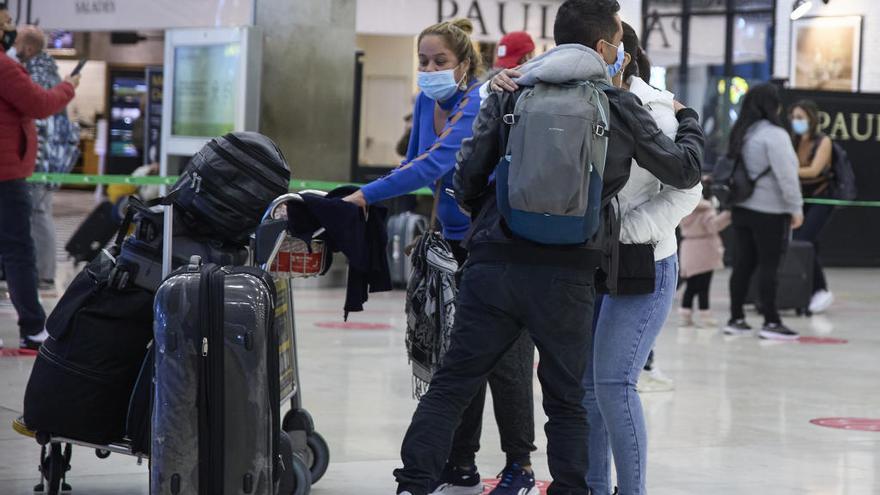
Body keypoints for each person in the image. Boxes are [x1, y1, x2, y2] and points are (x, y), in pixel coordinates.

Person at [393, 1, 704, 493]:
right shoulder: (618, 104)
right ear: (605, 48)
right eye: (619, 45)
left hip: (493, 264)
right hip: (568, 274)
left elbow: (468, 174)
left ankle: (413, 483)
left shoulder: (510, 90)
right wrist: (690, 123)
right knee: (566, 400)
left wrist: (488, 219)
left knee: (454, 383)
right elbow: (684, 172)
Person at [341, 19, 538, 495]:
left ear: (465, 64)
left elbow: (436, 164)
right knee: (456, 359)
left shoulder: (478, 103)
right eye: (423, 62)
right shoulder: (426, 99)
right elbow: (413, 167)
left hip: (498, 247)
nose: (429, 70)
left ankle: (519, 467)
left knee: (507, 364)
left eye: (440, 62)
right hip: (450, 245)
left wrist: (363, 197)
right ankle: (461, 461)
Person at [580, 22, 702, 495]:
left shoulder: (658, 109)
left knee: (614, 383)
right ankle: (594, 486)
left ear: (619, 54)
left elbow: (686, 192)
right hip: (585, 259)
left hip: (644, 260)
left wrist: (624, 232)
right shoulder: (573, 98)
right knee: (588, 387)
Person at [0, 7, 79, 350]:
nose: (10, 28)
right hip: (7, 175)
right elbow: (40, 104)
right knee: (20, 248)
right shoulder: (5, 66)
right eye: (5, 22)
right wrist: (69, 87)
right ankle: (32, 328)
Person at [724, 83, 803, 340]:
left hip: (741, 207)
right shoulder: (775, 136)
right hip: (770, 211)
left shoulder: (742, 133)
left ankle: (736, 318)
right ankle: (771, 321)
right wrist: (795, 207)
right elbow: (787, 176)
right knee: (770, 265)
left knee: (743, 264)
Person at [15, 25, 71, 292]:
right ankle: (43, 271)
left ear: (27, 48)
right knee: (40, 213)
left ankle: (45, 273)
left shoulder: (34, 74)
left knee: (37, 214)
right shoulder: (50, 72)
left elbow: (36, 120)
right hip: (49, 159)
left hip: (38, 160)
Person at [789, 100, 835, 314]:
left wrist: (785, 170)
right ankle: (808, 290)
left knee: (803, 240)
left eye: (800, 117)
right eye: (794, 118)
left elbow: (815, 170)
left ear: (812, 118)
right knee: (809, 243)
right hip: (801, 197)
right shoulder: (795, 140)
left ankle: (821, 289)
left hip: (820, 198)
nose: (796, 122)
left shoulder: (823, 141)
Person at [679, 175, 731, 327]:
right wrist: (728, 215)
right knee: (704, 285)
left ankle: (685, 313)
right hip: (705, 249)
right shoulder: (707, 209)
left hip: (688, 247)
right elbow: (712, 226)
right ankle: (705, 314)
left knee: (691, 285)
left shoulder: (686, 208)